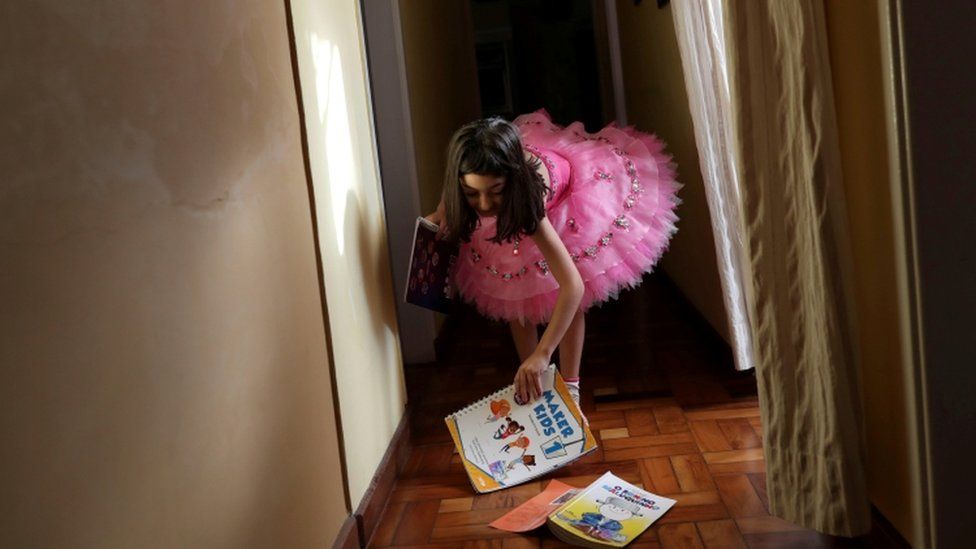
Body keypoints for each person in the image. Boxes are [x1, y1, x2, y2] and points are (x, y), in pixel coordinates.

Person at [426, 109, 681, 409]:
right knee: (512, 287)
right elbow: (450, 197)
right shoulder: (466, 178)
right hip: (519, 203)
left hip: (566, 203)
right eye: (471, 193)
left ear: (511, 180)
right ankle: (534, 380)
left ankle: (569, 389)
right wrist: (437, 217)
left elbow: (573, 286)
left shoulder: (529, 202)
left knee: (565, 297)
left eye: (495, 192)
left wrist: (544, 353)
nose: (483, 205)